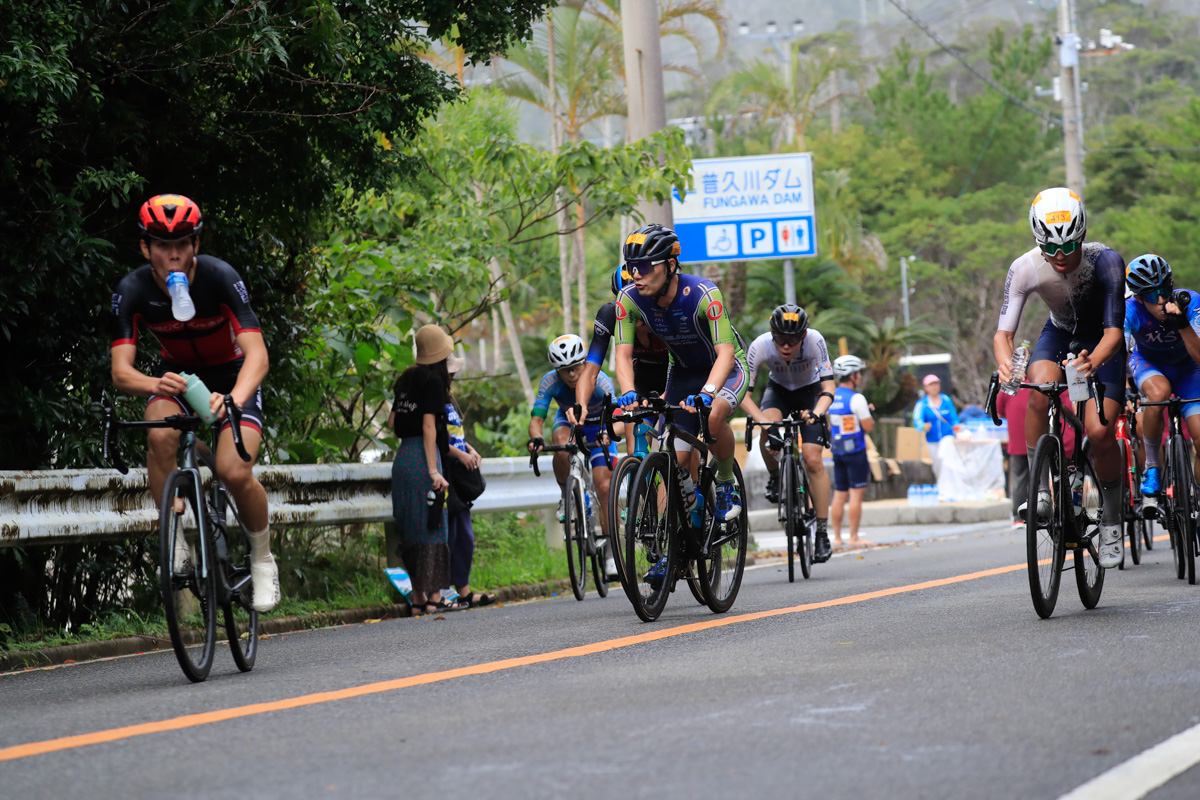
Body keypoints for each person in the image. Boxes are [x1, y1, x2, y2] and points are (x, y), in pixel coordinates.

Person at [110, 194, 279, 612]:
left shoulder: (220, 278)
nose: (173, 254)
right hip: (177, 379)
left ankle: (262, 559)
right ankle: (174, 536)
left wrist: (235, 399)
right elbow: (121, 372)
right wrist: (155, 382)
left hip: (232, 377)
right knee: (158, 432)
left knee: (233, 470)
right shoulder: (132, 290)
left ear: (196, 244)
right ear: (145, 247)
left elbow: (258, 355)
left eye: (183, 243)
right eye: (162, 245)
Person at [993, 187, 1126, 567]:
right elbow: (1003, 334)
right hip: (1060, 332)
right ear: (1038, 242)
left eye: (1068, 246)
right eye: (1050, 249)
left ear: (1082, 234)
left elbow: (1114, 334)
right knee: (1038, 391)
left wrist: (1091, 363)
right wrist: (1005, 362)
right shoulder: (1024, 267)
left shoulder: (1107, 262)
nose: (1060, 256)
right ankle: (1043, 491)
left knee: (1099, 432)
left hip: (1102, 337)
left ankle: (1113, 520)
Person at [613, 223, 749, 530]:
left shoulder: (703, 294)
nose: (637, 274)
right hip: (684, 372)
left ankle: (727, 483)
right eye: (631, 267)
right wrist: (628, 392)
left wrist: (709, 391)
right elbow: (622, 354)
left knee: (713, 417)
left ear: (671, 264)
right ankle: (677, 544)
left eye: (645, 266)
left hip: (726, 369)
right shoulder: (629, 298)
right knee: (674, 462)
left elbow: (726, 353)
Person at [740, 304, 837, 561]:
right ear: (772, 334)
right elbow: (743, 396)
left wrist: (817, 413)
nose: (786, 346)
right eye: (781, 340)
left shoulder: (815, 340)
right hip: (778, 392)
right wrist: (766, 425)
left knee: (813, 459)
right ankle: (775, 476)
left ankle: (822, 534)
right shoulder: (759, 346)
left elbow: (828, 386)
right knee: (767, 431)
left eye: (792, 341)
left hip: (810, 392)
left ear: (803, 337)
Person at [389, 325, 467, 615]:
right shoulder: (434, 382)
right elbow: (428, 426)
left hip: (402, 459)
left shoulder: (405, 378)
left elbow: (391, 422)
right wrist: (434, 470)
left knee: (411, 526)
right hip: (423, 458)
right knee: (433, 526)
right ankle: (435, 598)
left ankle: (419, 599)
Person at [527, 334, 617, 571]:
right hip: (568, 422)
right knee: (559, 443)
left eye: (576, 367)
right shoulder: (550, 382)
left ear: (586, 363)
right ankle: (567, 495)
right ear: (556, 370)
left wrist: (608, 434)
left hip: (599, 427)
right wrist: (536, 437)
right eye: (564, 370)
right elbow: (536, 419)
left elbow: (618, 420)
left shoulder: (602, 382)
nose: (572, 374)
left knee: (605, 488)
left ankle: (610, 551)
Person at [1123, 254, 1200, 512]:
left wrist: (1182, 323)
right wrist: (1123, 388)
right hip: (1150, 365)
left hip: (1189, 368)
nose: (1161, 301)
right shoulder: (1130, 311)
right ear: (1138, 297)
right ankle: (1152, 467)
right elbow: (1116, 350)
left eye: (1165, 291)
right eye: (1152, 295)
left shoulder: (1190, 302)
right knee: (1159, 392)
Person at [573, 264, 670, 456]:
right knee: (637, 452)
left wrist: (669, 395)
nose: (632, 308)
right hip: (643, 376)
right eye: (625, 302)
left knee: (678, 450)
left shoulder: (666, 313)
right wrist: (581, 405)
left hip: (675, 374)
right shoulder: (610, 315)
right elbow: (590, 372)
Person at [443, 357, 496, 609]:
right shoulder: (434, 401)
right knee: (449, 533)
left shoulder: (448, 399)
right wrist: (460, 454)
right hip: (446, 470)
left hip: (459, 469)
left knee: (464, 533)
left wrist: (470, 450)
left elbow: (455, 436)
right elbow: (437, 441)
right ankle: (442, 591)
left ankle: (463, 589)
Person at [828, 355, 874, 548]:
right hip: (856, 450)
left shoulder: (830, 396)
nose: (860, 377)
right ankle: (854, 537)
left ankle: (837, 538)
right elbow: (868, 426)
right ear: (853, 376)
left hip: (837, 450)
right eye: (859, 374)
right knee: (856, 494)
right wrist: (869, 413)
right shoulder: (857, 398)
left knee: (839, 494)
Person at [912, 375, 960, 477]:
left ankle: (950, 486)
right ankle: (941, 485)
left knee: (948, 462)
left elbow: (954, 418)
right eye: (931, 385)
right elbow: (917, 421)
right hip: (932, 440)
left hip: (948, 437)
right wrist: (923, 426)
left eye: (936, 384)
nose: (934, 387)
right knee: (938, 464)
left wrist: (956, 426)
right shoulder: (922, 404)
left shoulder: (946, 400)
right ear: (926, 387)